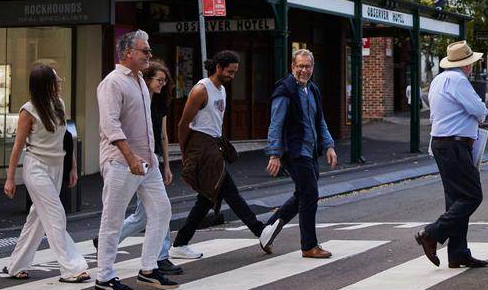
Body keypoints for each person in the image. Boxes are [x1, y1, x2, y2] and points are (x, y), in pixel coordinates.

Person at [94, 30, 178, 290]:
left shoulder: (140, 80)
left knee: (162, 211)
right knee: (112, 220)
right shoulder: (112, 83)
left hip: (147, 162)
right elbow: (110, 125)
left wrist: (153, 159)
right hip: (121, 162)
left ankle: (149, 269)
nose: (149, 55)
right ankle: (104, 277)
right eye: (145, 50)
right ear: (128, 53)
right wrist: (130, 157)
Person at [0, 65, 89, 283]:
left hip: (57, 167)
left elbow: (65, 139)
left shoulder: (59, 104)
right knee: (56, 214)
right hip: (36, 167)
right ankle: (72, 268)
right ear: (45, 84)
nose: (60, 82)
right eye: (56, 79)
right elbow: (18, 147)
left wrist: (72, 167)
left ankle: (16, 265)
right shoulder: (28, 111)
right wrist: (10, 178)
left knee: (38, 218)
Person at [173, 50, 268, 255]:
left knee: (207, 198)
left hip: (215, 146)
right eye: (229, 72)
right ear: (218, 68)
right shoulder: (201, 90)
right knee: (228, 191)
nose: (232, 76)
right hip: (202, 148)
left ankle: (180, 243)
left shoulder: (222, 90)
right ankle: (260, 230)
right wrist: (184, 154)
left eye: (235, 72)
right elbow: (183, 124)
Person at [415, 40, 488, 269]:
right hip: (455, 145)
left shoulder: (438, 80)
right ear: (466, 64)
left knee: (455, 199)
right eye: (471, 63)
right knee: (472, 195)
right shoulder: (459, 81)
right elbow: (479, 110)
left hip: (441, 143)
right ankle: (431, 233)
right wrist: (479, 116)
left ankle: (458, 252)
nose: (472, 67)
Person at [259, 49, 338, 258]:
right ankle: (309, 246)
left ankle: (268, 230)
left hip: (310, 150)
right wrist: (274, 154)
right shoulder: (285, 91)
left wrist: (329, 145)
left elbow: (320, 120)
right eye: (300, 66)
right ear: (292, 67)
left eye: (308, 66)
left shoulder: (312, 89)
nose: (304, 70)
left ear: (313, 68)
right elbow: (275, 124)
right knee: (310, 194)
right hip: (293, 151)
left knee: (302, 194)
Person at [110, 60, 181, 274]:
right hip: (134, 160)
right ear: (147, 79)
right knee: (151, 211)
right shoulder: (136, 100)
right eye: (159, 80)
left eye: (164, 81)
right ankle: (111, 241)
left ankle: (160, 257)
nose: (161, 84)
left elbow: (163, 135)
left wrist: (167, 165)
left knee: (158, 209)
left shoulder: (159, 103)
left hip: (153, 159)